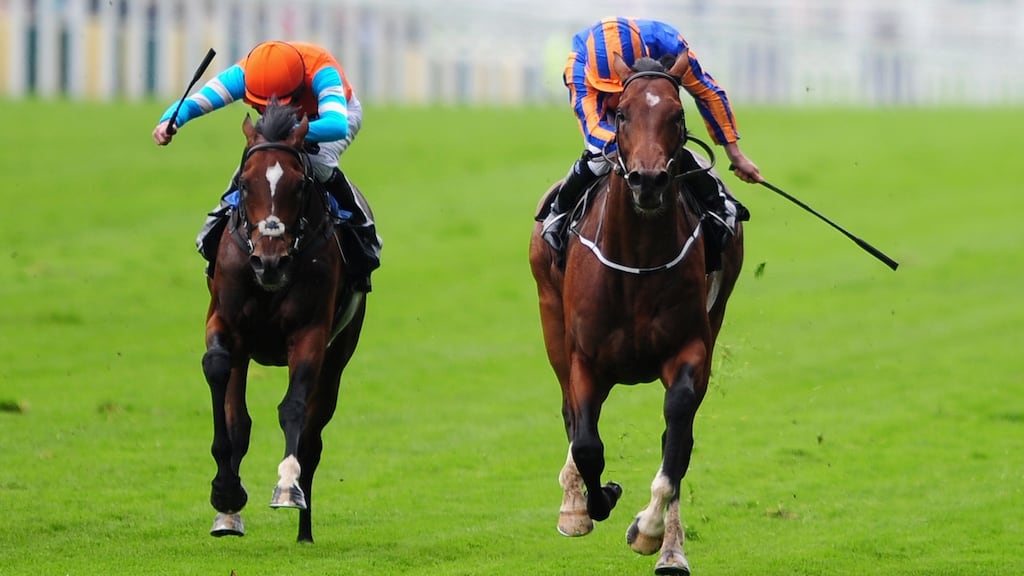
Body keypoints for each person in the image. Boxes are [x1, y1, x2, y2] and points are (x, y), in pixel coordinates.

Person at [152, 40, 381, 292]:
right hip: (279, 126)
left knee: (320, 165)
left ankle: (361, 229)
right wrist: (169, 121)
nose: (268, 106)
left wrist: (287, 133)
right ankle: (221, 219)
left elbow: (336, 124)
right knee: (257, 168)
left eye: (276, 102)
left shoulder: (321, 70)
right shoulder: (247, 73)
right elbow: (198, 102)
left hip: (330, 116)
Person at [541, 16, 763, 269]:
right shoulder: (578, 67)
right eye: (610, 88)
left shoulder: (669, 46)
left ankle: (719, 206)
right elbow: (594, 131)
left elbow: (707, 92)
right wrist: (640, 141)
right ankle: (558, 214)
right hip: (617, 121)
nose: (617, 93)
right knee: (598, 155)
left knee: (671, 147)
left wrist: (736, 155)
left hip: (654, 104)